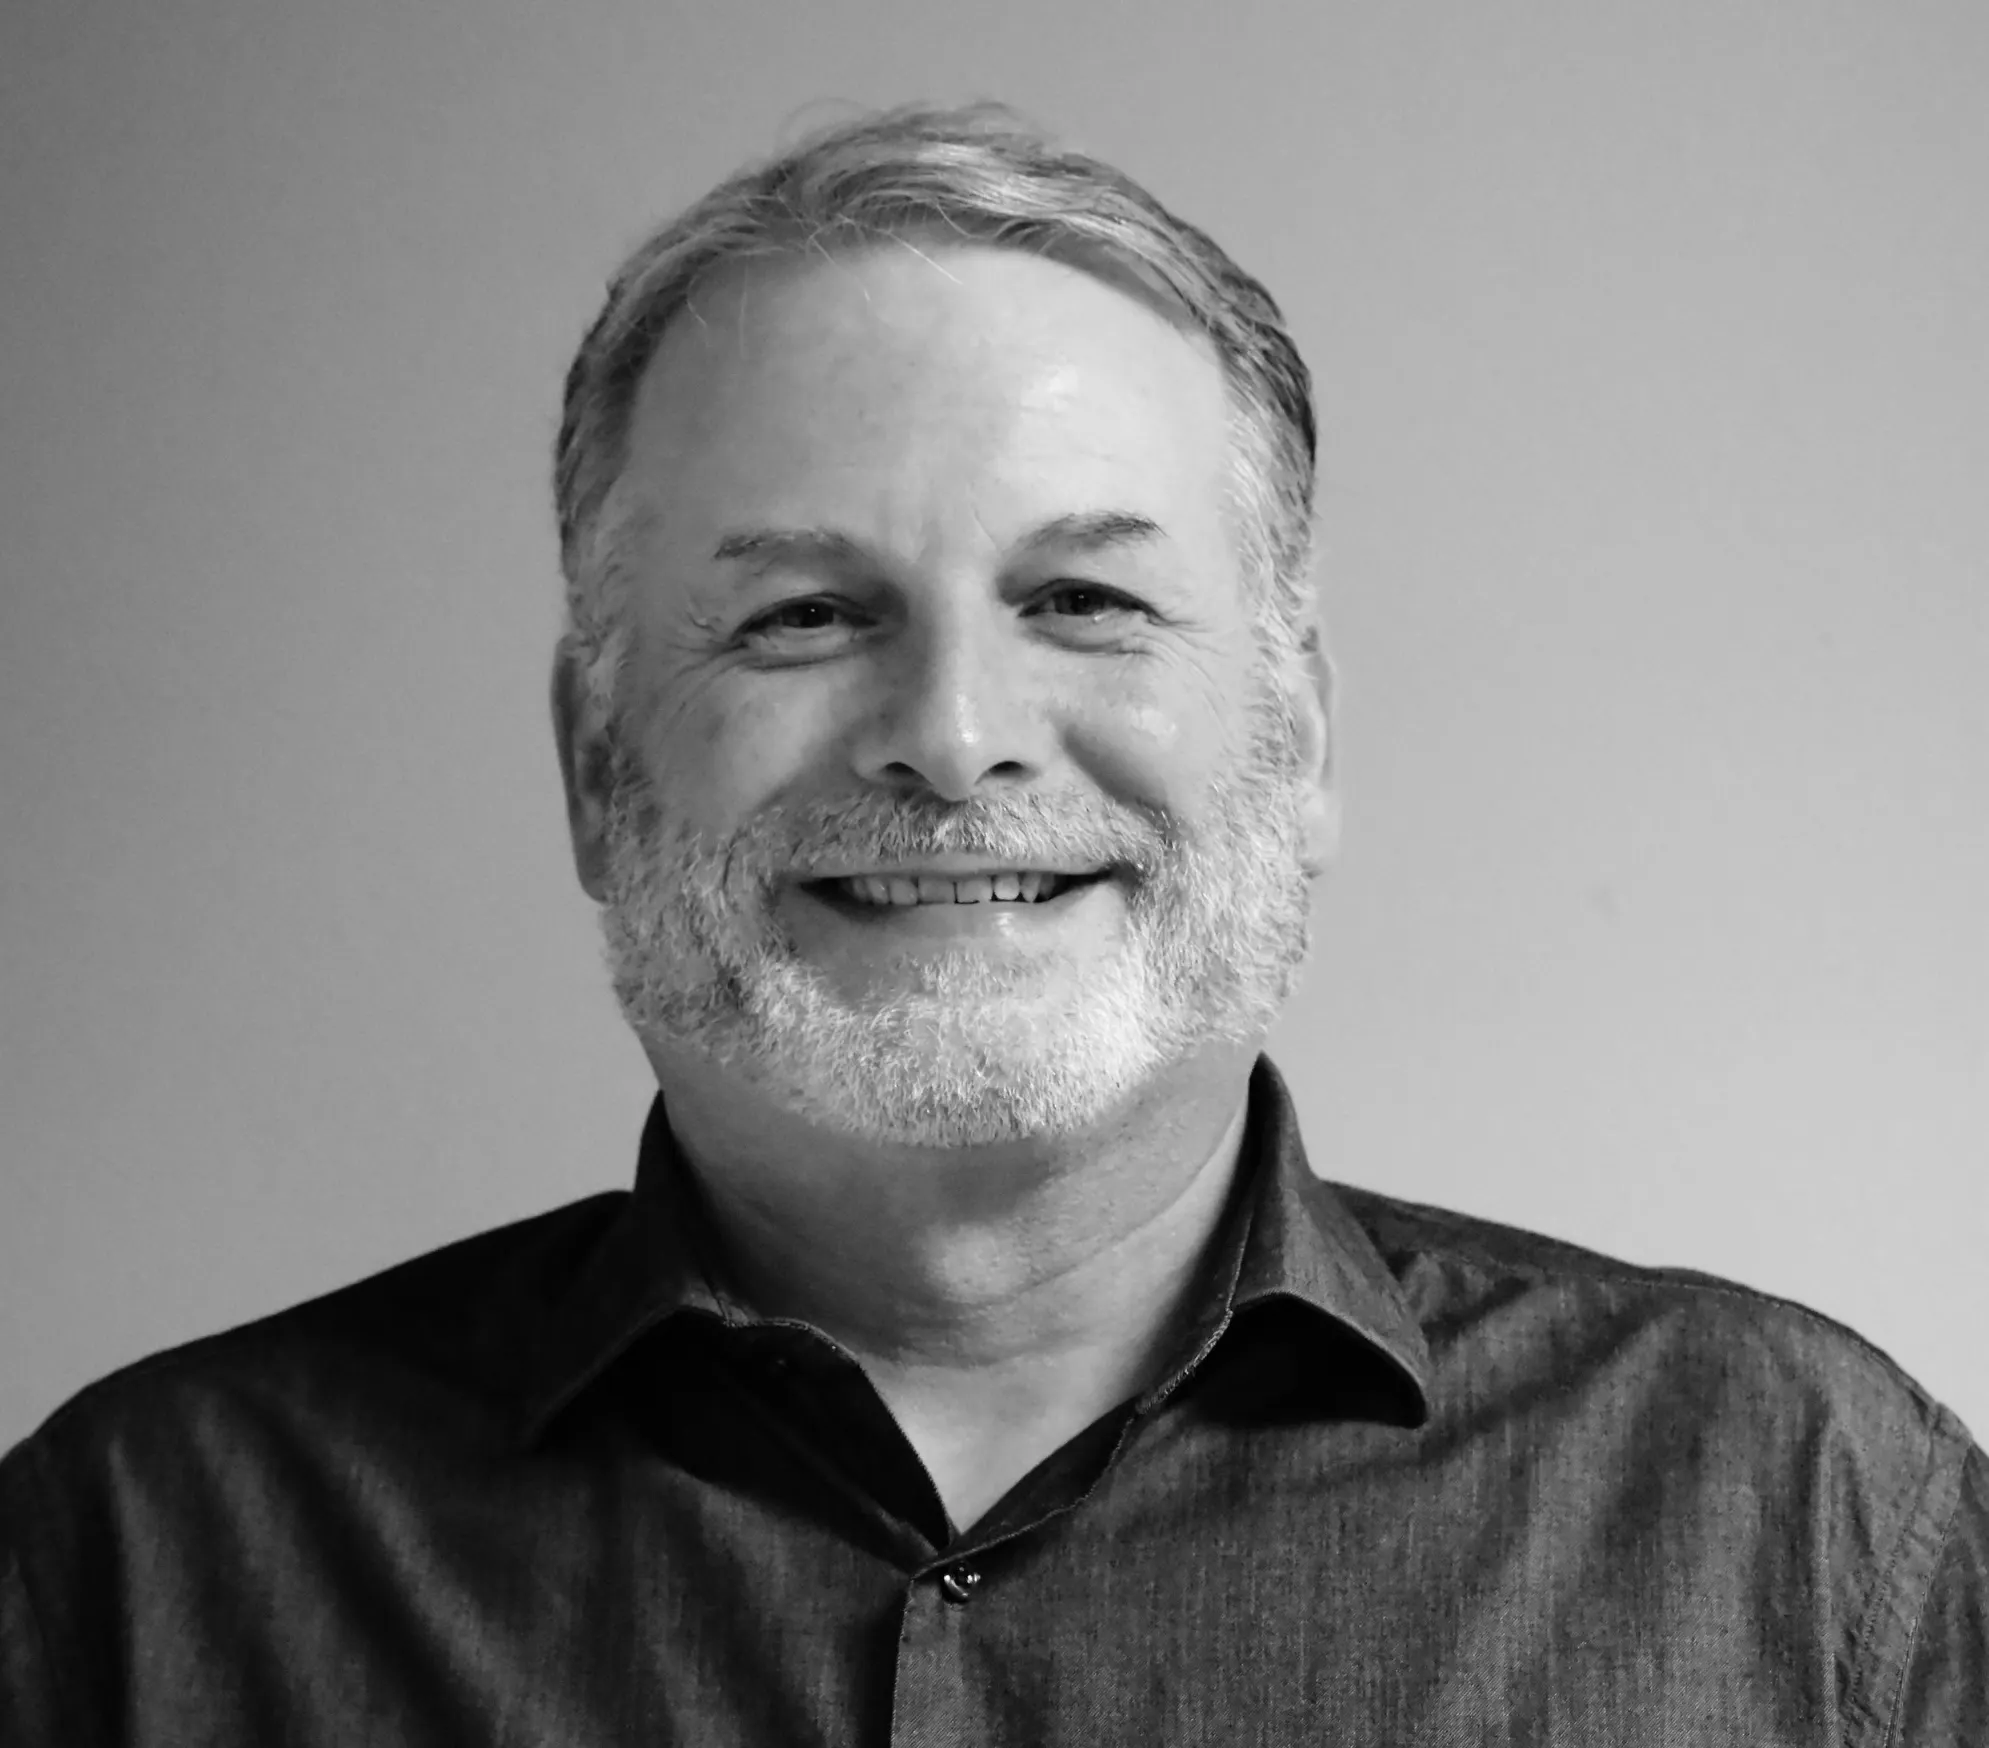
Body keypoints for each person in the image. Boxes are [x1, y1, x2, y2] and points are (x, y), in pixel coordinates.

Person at [3, 99, 1981, 1745]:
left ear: (1300, 740)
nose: (952, 738)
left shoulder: (1805, 1520)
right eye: (801, 616)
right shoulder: (133, 1563)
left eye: (1086, 602)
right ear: (595, 767)